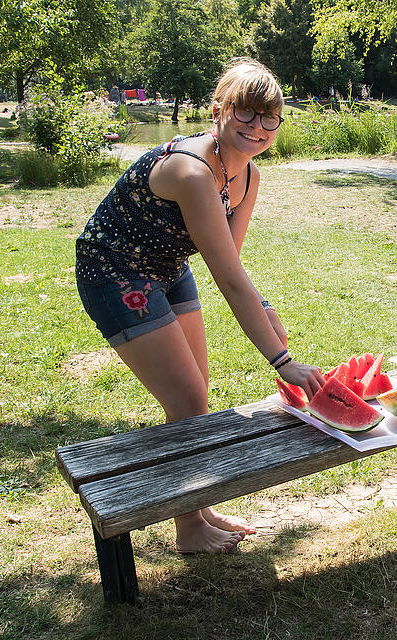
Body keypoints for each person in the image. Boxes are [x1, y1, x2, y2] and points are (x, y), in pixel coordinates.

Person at [76, 58, 325, 553]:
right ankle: (187, 528)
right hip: (116, 271)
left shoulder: (249, 177)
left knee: (199, 393)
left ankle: (199, 506)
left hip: (166, 267)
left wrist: (267, 306)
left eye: (269, 117)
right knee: (186, 398)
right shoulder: (190, 172)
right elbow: (228, 278)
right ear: (219, 111)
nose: (257, 127)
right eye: (245, 114)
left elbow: (232, 260)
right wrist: (283, 362)